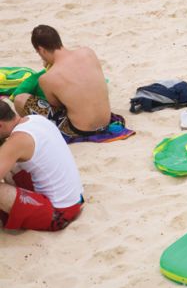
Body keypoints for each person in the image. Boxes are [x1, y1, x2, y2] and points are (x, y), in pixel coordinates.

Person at [13, 25, 113, 140]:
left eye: (38, 53)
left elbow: (58, 105)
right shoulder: (87, 52)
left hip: (81, 130)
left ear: (41, 49)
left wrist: (50, 69)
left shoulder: (47, 78)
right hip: (106, 122)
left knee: (20, 100)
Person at [0, 101, 84, 232]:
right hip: (76, 200)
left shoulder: (17, 141)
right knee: (8, 161)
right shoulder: (34, 119)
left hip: (58, 214)